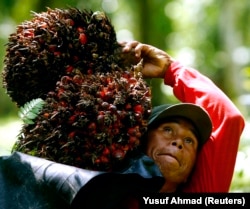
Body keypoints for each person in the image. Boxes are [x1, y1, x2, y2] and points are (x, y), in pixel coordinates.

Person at [0, 41, 245, 209]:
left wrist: (171, 69)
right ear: (141, 140)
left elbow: (229, 120)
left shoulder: (198, 195)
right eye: (167, 130)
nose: (178, 141)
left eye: (189, 141)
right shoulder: (99, 185)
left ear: (191, 171)